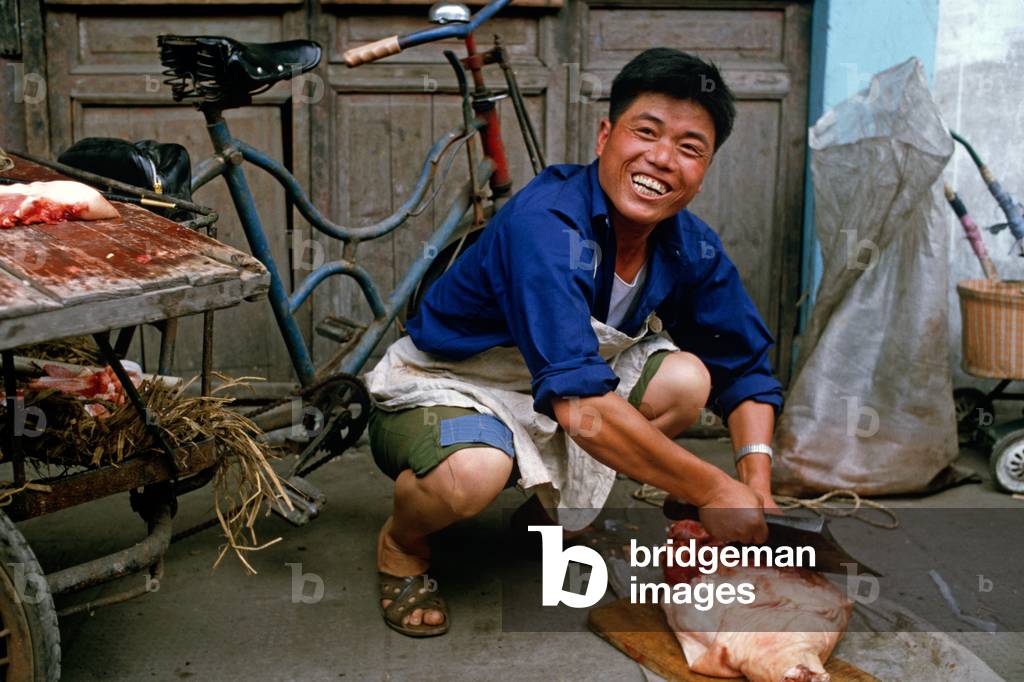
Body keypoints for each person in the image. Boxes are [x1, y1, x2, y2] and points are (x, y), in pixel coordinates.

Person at [363, 47, 784, 637]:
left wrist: (755, 484)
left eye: (690, 149)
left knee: (689, 380)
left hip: (561, 387)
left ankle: (544, 515)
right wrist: (712, 487)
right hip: (454, 384)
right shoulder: (547, 221)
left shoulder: (688, 244)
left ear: (705, 168)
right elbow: (581, 408)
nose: (662, 160)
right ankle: (402, 546)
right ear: (605, 135)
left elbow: (744, 366)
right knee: (474, 471)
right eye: (647, 133)